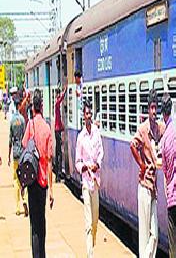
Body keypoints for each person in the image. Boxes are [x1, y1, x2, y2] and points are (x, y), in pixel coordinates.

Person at [130, 89, 165, 258]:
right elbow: (132, 145)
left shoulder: (158, 128)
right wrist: (142, 165)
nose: (153, 111)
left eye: (155, 108)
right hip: (144, 186)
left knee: (155, 235)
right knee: (144, 234)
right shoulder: (143, 129)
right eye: (151, 108)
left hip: (153, 188)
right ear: (147, 109)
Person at [22, 89, 54, 258]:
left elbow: (24, 146)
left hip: (31, 180)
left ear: (33, 108)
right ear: (42, 106)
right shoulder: (47, 129)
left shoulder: (30, 125)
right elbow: (49, 161)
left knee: (34, 224)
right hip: (42, 183)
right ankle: (43, 254)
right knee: (42, 221)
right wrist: (51, 192)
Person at [76, 99, 104, 258]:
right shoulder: (81, 138)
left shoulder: (96, 133)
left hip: (96, 181)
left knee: (95, 220)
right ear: (83, 116)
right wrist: (85, 167)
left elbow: (101, 152)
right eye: (86, 114)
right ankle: (90, 254)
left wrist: (97, 164)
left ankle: (92, 241)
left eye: (89, 113)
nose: (88, 116)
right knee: (88, 221)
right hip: (86, 182)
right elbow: (77, 161)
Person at [160, 93, 176, 258]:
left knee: (173, 246)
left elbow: (166, 171)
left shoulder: (164, 141)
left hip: (172, 198)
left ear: (163, 114)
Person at [8, 96, 28, 216]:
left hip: (15, 153)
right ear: (19, 105)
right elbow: (25, 137)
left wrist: (8, 155)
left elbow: (10, 139)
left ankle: (17, 207)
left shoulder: (12, 121)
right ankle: (25, 199)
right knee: (24, 179)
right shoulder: (22, 120)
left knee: (15, 180)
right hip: (22, 153)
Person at [55, 85, 67, 182]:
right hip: (57, 130)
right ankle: (58, 175)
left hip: (58, 129)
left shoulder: (57, 105)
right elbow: (60, 100)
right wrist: (65, 91)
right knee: (58, 153)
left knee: (58, 152)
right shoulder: (56, 103)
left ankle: (58, 174)